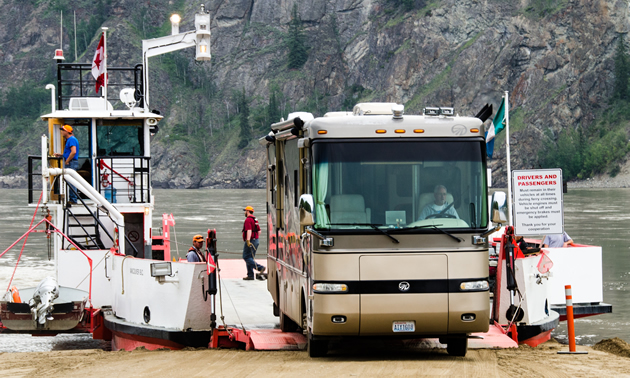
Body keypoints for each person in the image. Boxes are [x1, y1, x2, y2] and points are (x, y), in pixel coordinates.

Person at [55, 124, 79, 204]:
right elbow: (70, 152)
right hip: (71, 162)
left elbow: (73, 152)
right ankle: (72, 199)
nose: (61, 132)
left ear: (67, 132)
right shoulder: (71, 139)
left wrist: (67, 161)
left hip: (71, 163)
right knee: (70, 180)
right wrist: (61, 155)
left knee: (71, 181)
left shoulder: (71, 139)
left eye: (63, 130)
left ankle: (73, 200)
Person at [242, 206, 265, 280]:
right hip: (256, 240)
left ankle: (260, 268)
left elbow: (249, 230)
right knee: (250, 257)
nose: (245, 213)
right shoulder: (255, 219)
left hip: (251, 240)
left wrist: (248, 240)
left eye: (245, 211)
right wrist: (256, 239)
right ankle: (250, 275)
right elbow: (259, 231)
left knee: (246, 257)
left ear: (248, 211)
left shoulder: (248, 220)